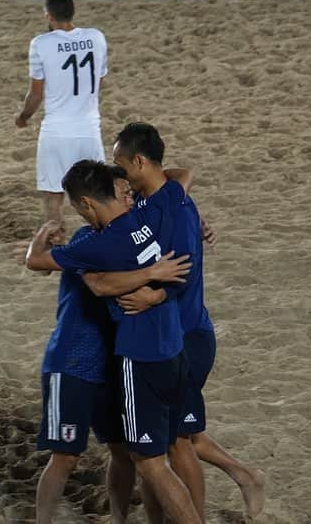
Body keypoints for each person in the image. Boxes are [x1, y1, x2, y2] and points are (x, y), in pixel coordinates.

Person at [103, 123, 265, 520]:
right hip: (169, 335)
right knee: (175, 438)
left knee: (178, 441)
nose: (118, 173)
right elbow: (180, 173)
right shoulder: (151, 196)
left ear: (138, 161)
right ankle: (237, 480)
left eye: (121, 164)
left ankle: (220, 497)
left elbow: (185, 270)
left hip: (187, 336)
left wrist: (152, 295)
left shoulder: (174, 208)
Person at [26, 160, 202, 524]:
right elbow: (94, 283)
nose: (131, 195)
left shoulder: (113, 233)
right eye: (124, 190)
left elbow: (51, 267)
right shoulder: (92, 240)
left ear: (87, 203)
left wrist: (38, 244)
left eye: (131, 189)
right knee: (70, 457)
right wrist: (155, 276)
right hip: (73, 364)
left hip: (117, 364)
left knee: (134, 456)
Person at [15, 0, 108, 233]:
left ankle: (56, 244)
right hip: (89, 129)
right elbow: (99, 83)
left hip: (56, 131)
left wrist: (24, 117)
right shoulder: (97, 38)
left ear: (48, 16)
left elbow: (36, 94)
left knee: (52, 196)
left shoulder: (40, 44)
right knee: (98, 197)